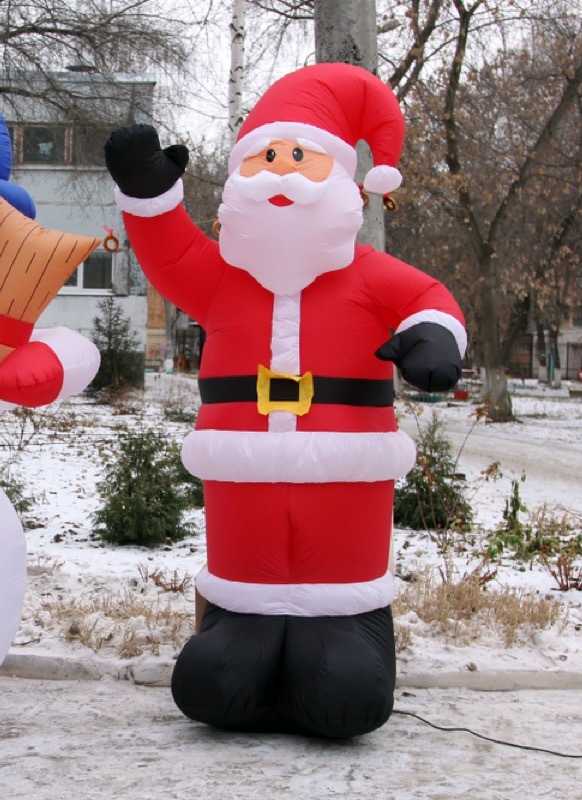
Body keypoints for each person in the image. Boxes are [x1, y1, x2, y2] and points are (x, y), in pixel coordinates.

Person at [104, 63, 466, 738]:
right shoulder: (222, 278)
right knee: (213, 681)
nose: (280, 172)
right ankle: (241, 628)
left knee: (345, 687)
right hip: (244, 494)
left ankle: (348, 637)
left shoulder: (368, 276)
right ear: (243, 175)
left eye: (299, 157)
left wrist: (431, 341)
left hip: (346, 488)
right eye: (267, 157)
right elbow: (168, 250)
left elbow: (429, 300)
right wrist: (149, 192)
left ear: (339, 181)